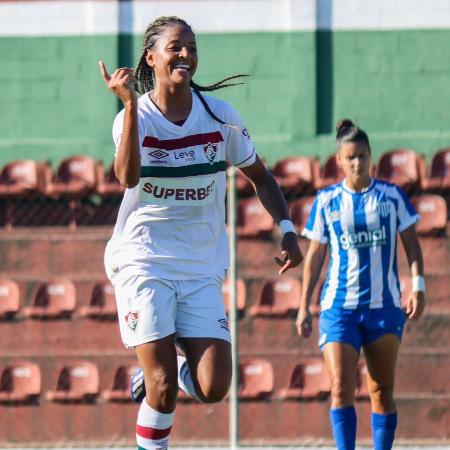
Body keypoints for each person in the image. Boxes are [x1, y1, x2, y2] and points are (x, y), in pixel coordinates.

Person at [99, 16, 302, 450]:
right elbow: (127, 177)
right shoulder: (136, 117)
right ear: (151, 57)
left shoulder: (219, 118)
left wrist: (286, 229)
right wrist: (131, 106)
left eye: (191, 47)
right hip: (144, 259)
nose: (186, 54)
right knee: (163, 389)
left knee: (213, 386)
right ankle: (158, 382)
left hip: (200, 264)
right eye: (175, 47)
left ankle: (165, 370)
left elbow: (261, 178)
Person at [297, 119, 425, 450]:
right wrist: (303, 306)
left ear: (372, 157)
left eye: (362, 156)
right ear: (338, 160)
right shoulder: (326, 202)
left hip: (384, 309)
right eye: (350, 157)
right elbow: (314, 256)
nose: (357, 163)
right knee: (341, 386)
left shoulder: (392, 196)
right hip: (339, 308)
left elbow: (412, 244)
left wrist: (419, 286)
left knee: (381, 391)